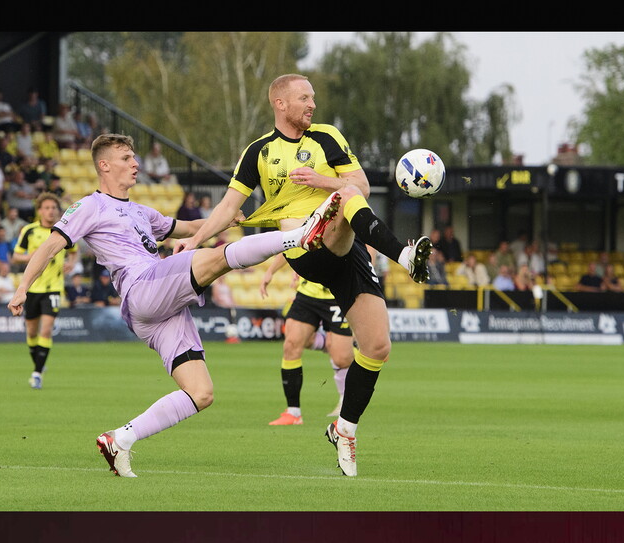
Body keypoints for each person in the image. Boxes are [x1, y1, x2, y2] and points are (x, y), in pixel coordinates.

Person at [7, 133, 338, 477]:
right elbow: (50, 246)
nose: (135, 163)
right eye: (125, 158)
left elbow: (188, 227)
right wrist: (22, 288)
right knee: (213, 260)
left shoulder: (140, 211)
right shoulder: (90, 206)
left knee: (201, 392)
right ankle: (300, 236)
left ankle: (119, 439)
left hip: (157, 311)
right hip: (142, 288)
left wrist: (227, 219)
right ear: (103, 166)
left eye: (134, 157)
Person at [171, 74, 435, 477]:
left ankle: (344, 429)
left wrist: (321, 180)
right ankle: (401, 254)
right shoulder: (259, 151)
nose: (312, 104)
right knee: (341, 198)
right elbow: (227, 207)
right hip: (304, 250)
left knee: (378, 347)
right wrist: (196, 241)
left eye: (313, 97)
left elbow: (361, 184)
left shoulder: (327, 137)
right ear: (280, 103)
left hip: (346, 249)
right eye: (303, 98)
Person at [260, 253, 354, 423]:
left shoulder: (345, 226)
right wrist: (271, 271)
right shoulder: (306, 224)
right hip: (308, 293)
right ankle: (293, 413)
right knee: (291, 344)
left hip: (337, 295)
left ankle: (344, 398)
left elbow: (366, 249)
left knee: (342, 359)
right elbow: (290, 245)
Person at [9, 192, 80, 390]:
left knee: (46, 329)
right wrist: (30, 257)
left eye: (53, 208)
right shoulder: (29, 231)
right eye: (46, 208)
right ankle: (38, 364)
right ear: (39, 210)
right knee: (31, 331)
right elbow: (16, 256)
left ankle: (37, 373)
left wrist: (71, 263)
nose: (50, 211)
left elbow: (74, 250)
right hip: (31, 289)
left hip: (53, 289)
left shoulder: (62, 231)